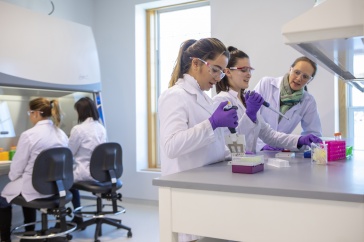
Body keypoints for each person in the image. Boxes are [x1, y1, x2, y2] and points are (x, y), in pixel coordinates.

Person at [158, 38, 238, 242]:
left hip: (205, 190)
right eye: (215, 70)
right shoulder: (175, 96)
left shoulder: (205, 99)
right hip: (186, 194)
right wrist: (212, 123)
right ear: (196, 63)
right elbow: (171, 146)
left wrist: (237, 149)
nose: (219, 77)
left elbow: (212, 145)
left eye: (222, 72)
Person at [213, 47, 322, 153]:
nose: (249, 74)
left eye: (250, 70)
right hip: (232, 167)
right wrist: (250, 115)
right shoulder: (222, 101)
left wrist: (298, 140)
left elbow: (269, 135)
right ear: (227, 72)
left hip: (249, 164)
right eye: (244, 70)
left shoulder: (245, 101)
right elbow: (228, 144)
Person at [0, 98, 68, 242]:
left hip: (35, 187)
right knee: (24, 189)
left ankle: (5, 238)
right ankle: (29, 232)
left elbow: (17, 168)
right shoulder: (61, 134)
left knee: (4, 198)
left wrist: (13, 177)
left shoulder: (29, 135)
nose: (29, 116)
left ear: (36, 113)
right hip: (57, 188)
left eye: (29, 113)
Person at [254, 56, 322, 151]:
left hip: (279, 151)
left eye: (305, 77)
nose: (299, 79)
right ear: (290, 69)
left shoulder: (308, 101)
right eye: (297, 72)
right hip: (255, 148)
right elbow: (250, 118)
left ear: (309, 81)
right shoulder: (266, 84)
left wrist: (299, 144)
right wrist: (260, 146)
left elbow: (314, 135)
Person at [68, 97, 107, 227]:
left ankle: (74, 218)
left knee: (65, 180)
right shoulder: (101, 128)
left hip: (85, 173)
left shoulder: (78, 129)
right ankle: (77, 216)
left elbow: (69, 153)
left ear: (81, 112)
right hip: (101, 173)